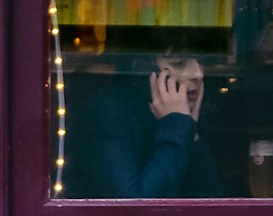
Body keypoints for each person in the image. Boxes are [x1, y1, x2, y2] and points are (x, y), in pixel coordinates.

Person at [70, 53, 222, 199]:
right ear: (143, 69)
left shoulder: (180, 117)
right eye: (179, 62)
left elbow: (211, 207)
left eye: (201, 61)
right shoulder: (108, 112)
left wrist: (190, 131)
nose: (198, 73)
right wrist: (178, 126)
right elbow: (136, 207)